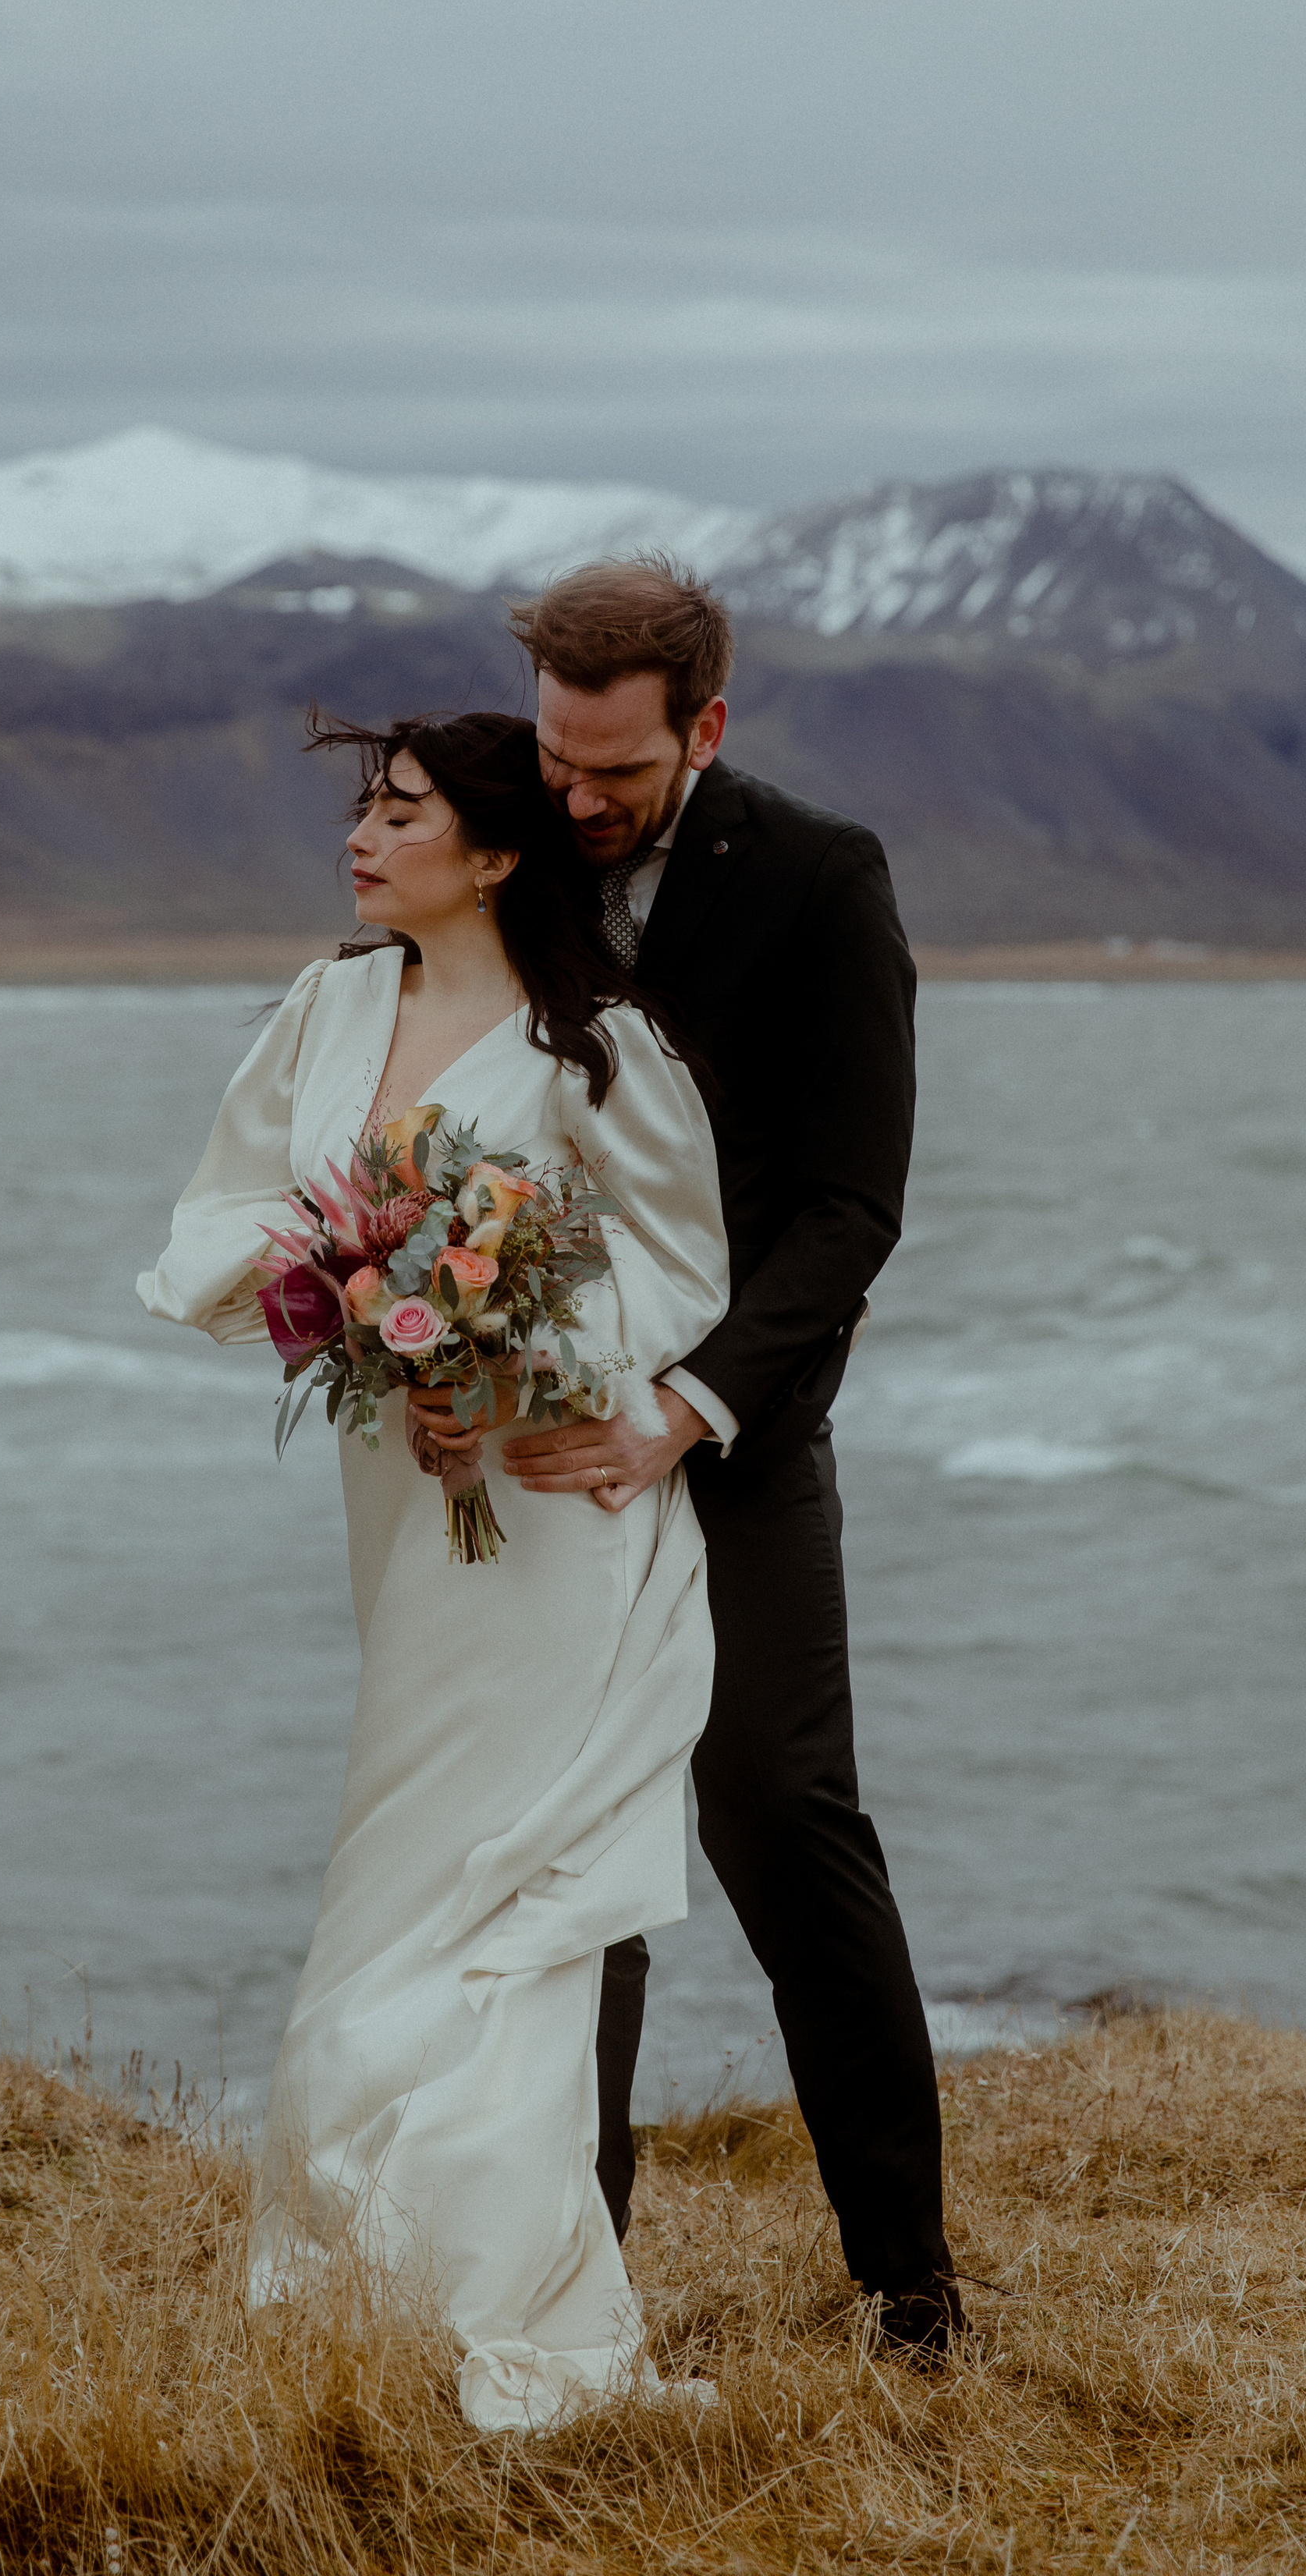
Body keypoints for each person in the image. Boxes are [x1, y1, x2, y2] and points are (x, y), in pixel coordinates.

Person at [137, 710, 730, 2433]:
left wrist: (513, 1355)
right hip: (402, 1495)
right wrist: (331, 1275)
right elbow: (219, 1214)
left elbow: (676, 1270)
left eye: (400, 814)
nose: (360, 836)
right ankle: (360, 2285)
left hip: (547, 1501)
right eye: (360, 808)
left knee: (501, 1885)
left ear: (493, 854)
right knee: (393, 1862)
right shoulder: (327, 1009)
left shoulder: (593, 1048)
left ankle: (501, 2296)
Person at [415, 555, 962, 2356]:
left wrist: (687, 1405)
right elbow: (424, 1124)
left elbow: (846, 1208)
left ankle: (908, 2286)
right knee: (573, 1862)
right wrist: (427, 1353)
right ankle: (576, 2300)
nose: (575, 807)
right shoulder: (510, 853)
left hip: (729, 1443)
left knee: (785, 1830)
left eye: (616, 778)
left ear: (704, 730)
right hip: (538, 1456)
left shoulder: (819, 878)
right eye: (556, 766)